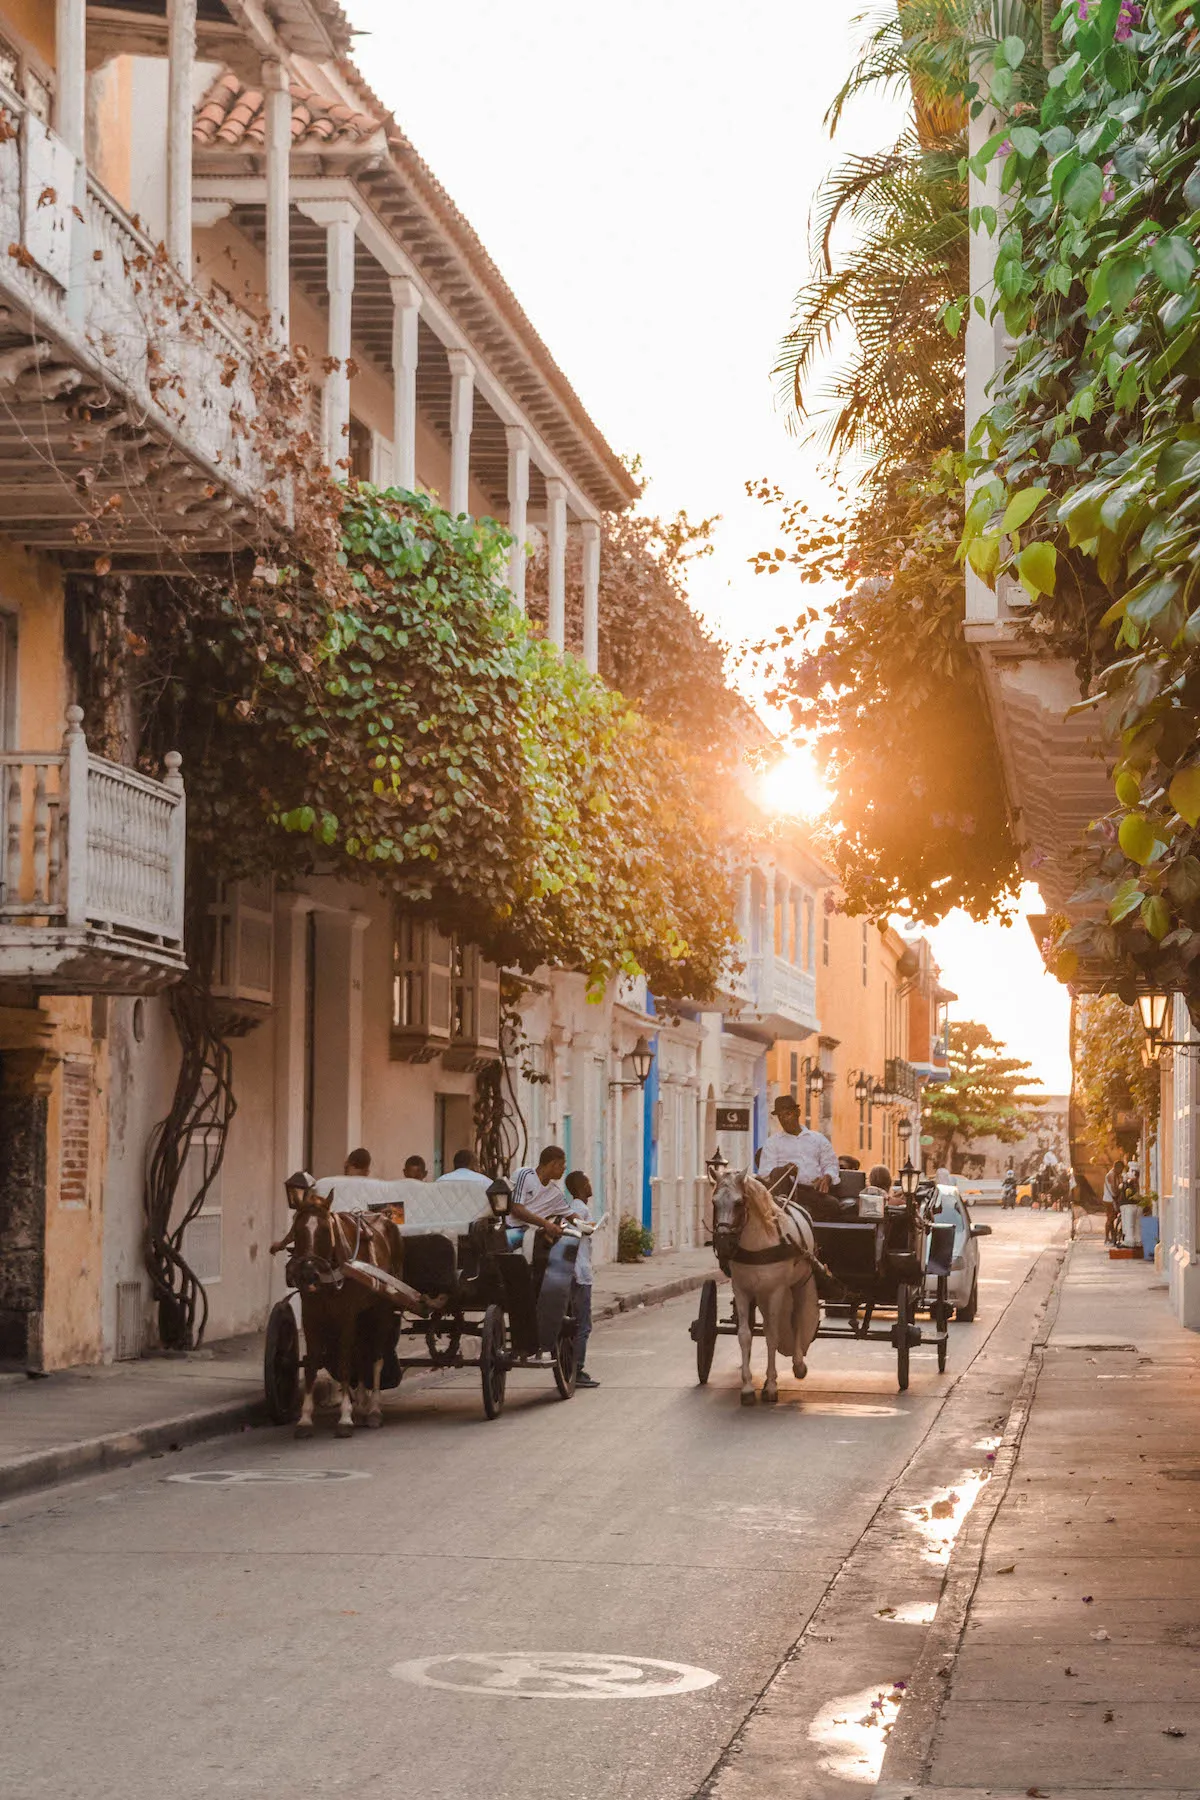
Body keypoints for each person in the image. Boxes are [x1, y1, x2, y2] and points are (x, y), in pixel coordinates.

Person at [756, 1095, 839, 1192]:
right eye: (780, 1116)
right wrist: (784, 1170)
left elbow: (831, 1164)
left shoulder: (818, 1139)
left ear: (797, 1113)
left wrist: (827, 1177)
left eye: (788, 1114)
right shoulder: (772, 1143)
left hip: (815, 1191)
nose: (784, 1119)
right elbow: (764, 1174)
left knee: (833, 1204)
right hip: (787, 1193)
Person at [564, 1170, 599, 1389]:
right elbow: (581, 1232)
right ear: (580, 1187)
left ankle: (572, 1368)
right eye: (587, 1182)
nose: (590, 1185)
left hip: (576, 1270)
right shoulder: (579, 1209)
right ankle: (577, 1369)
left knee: (575, 1323)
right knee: (583, 1324)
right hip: (580, 1273)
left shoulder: (575, 1208)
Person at [510, 1145, 568, 1237]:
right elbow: (516, 1208)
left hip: (534, 1236)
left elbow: (571, 1215)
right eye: (561, 1164)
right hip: (512, 1230)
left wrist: (586, 1225)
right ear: (552, 1164)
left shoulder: (556, 1193)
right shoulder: (525, 1175)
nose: (564, 1168)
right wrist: (546, 1224)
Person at [1102, 1157, 1124, 1243]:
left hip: (1110, 1199)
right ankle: (1107, 1237)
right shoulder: (1111, 1175)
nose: (1121, 1171)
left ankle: (1112, 1237)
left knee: (1112, 1218)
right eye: (1121, 1169)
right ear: (1117, 1167)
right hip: (1109, 1200)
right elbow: (1114, 1189)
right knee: (1110, 1218)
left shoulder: (1115, 1175)